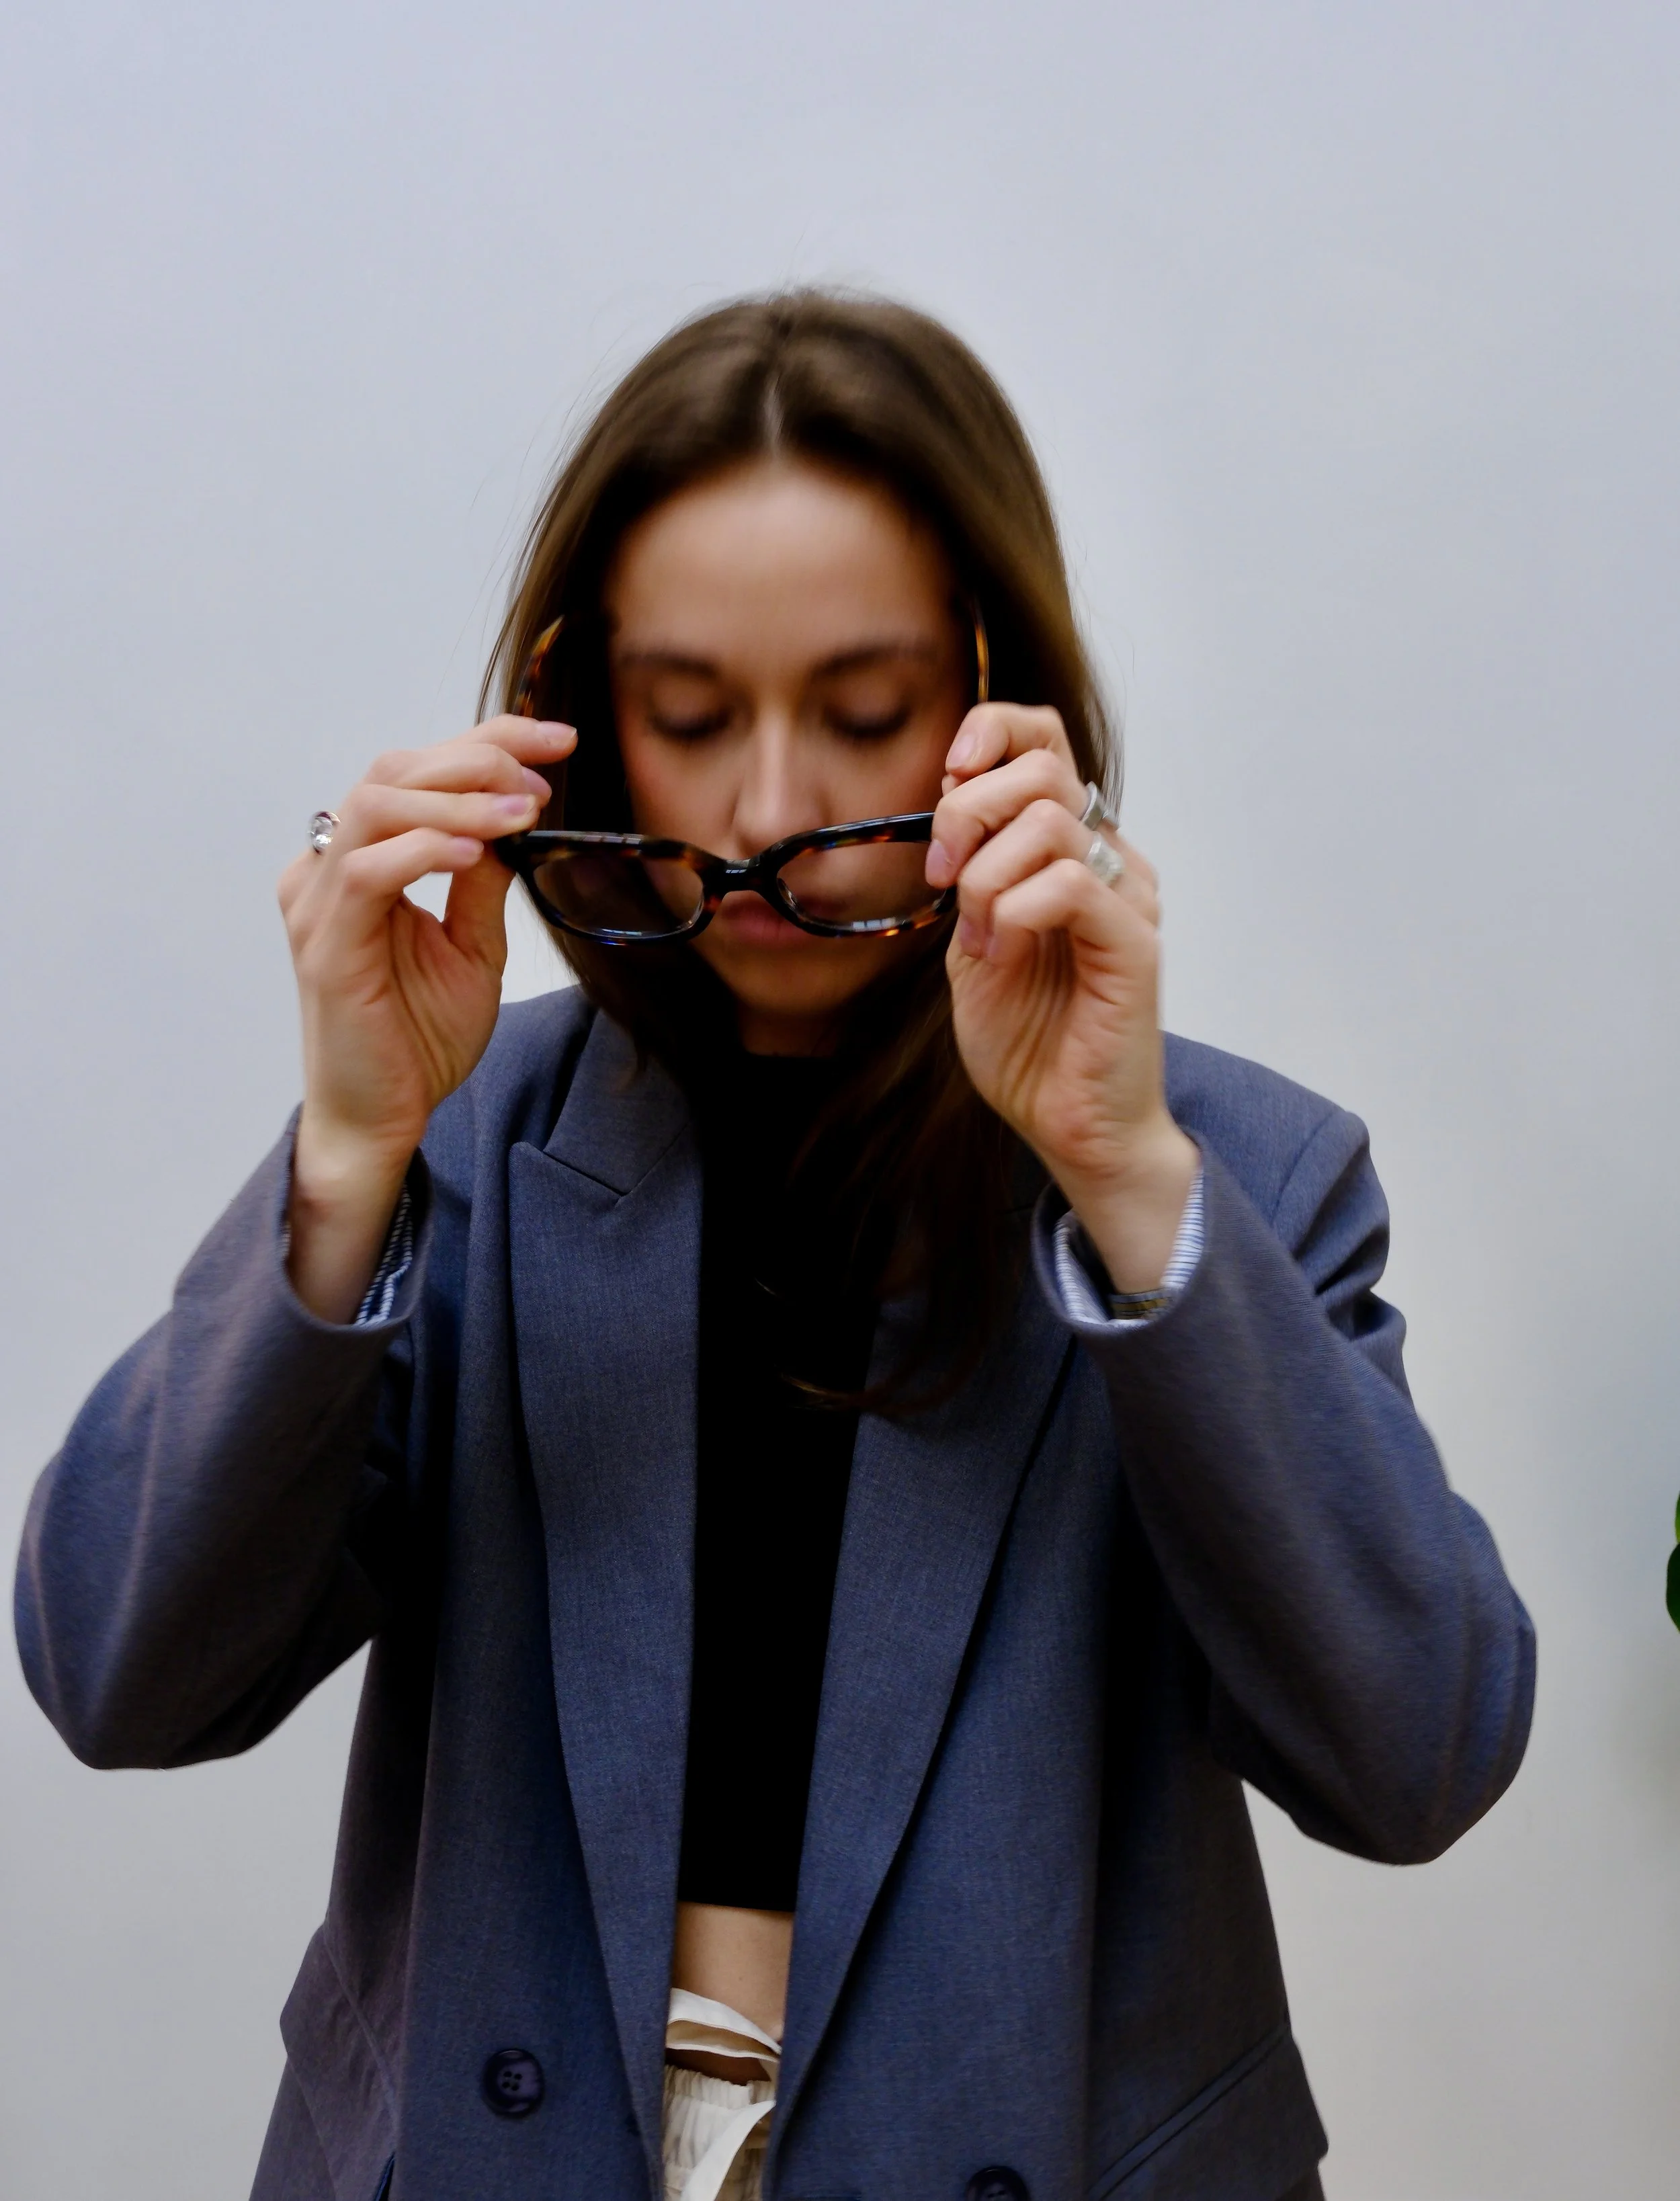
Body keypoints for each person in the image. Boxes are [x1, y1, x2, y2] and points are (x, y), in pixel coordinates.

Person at [14, 292, 1534, 2201]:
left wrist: (1122, 1173)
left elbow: (1418, 1759)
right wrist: (346, 1155)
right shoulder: (469, 1150)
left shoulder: (1228, 1175)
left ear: (997, 697)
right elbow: (116, 1674)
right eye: (689, 712)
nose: (768, 811)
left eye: (863, 709)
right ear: (579, 709)